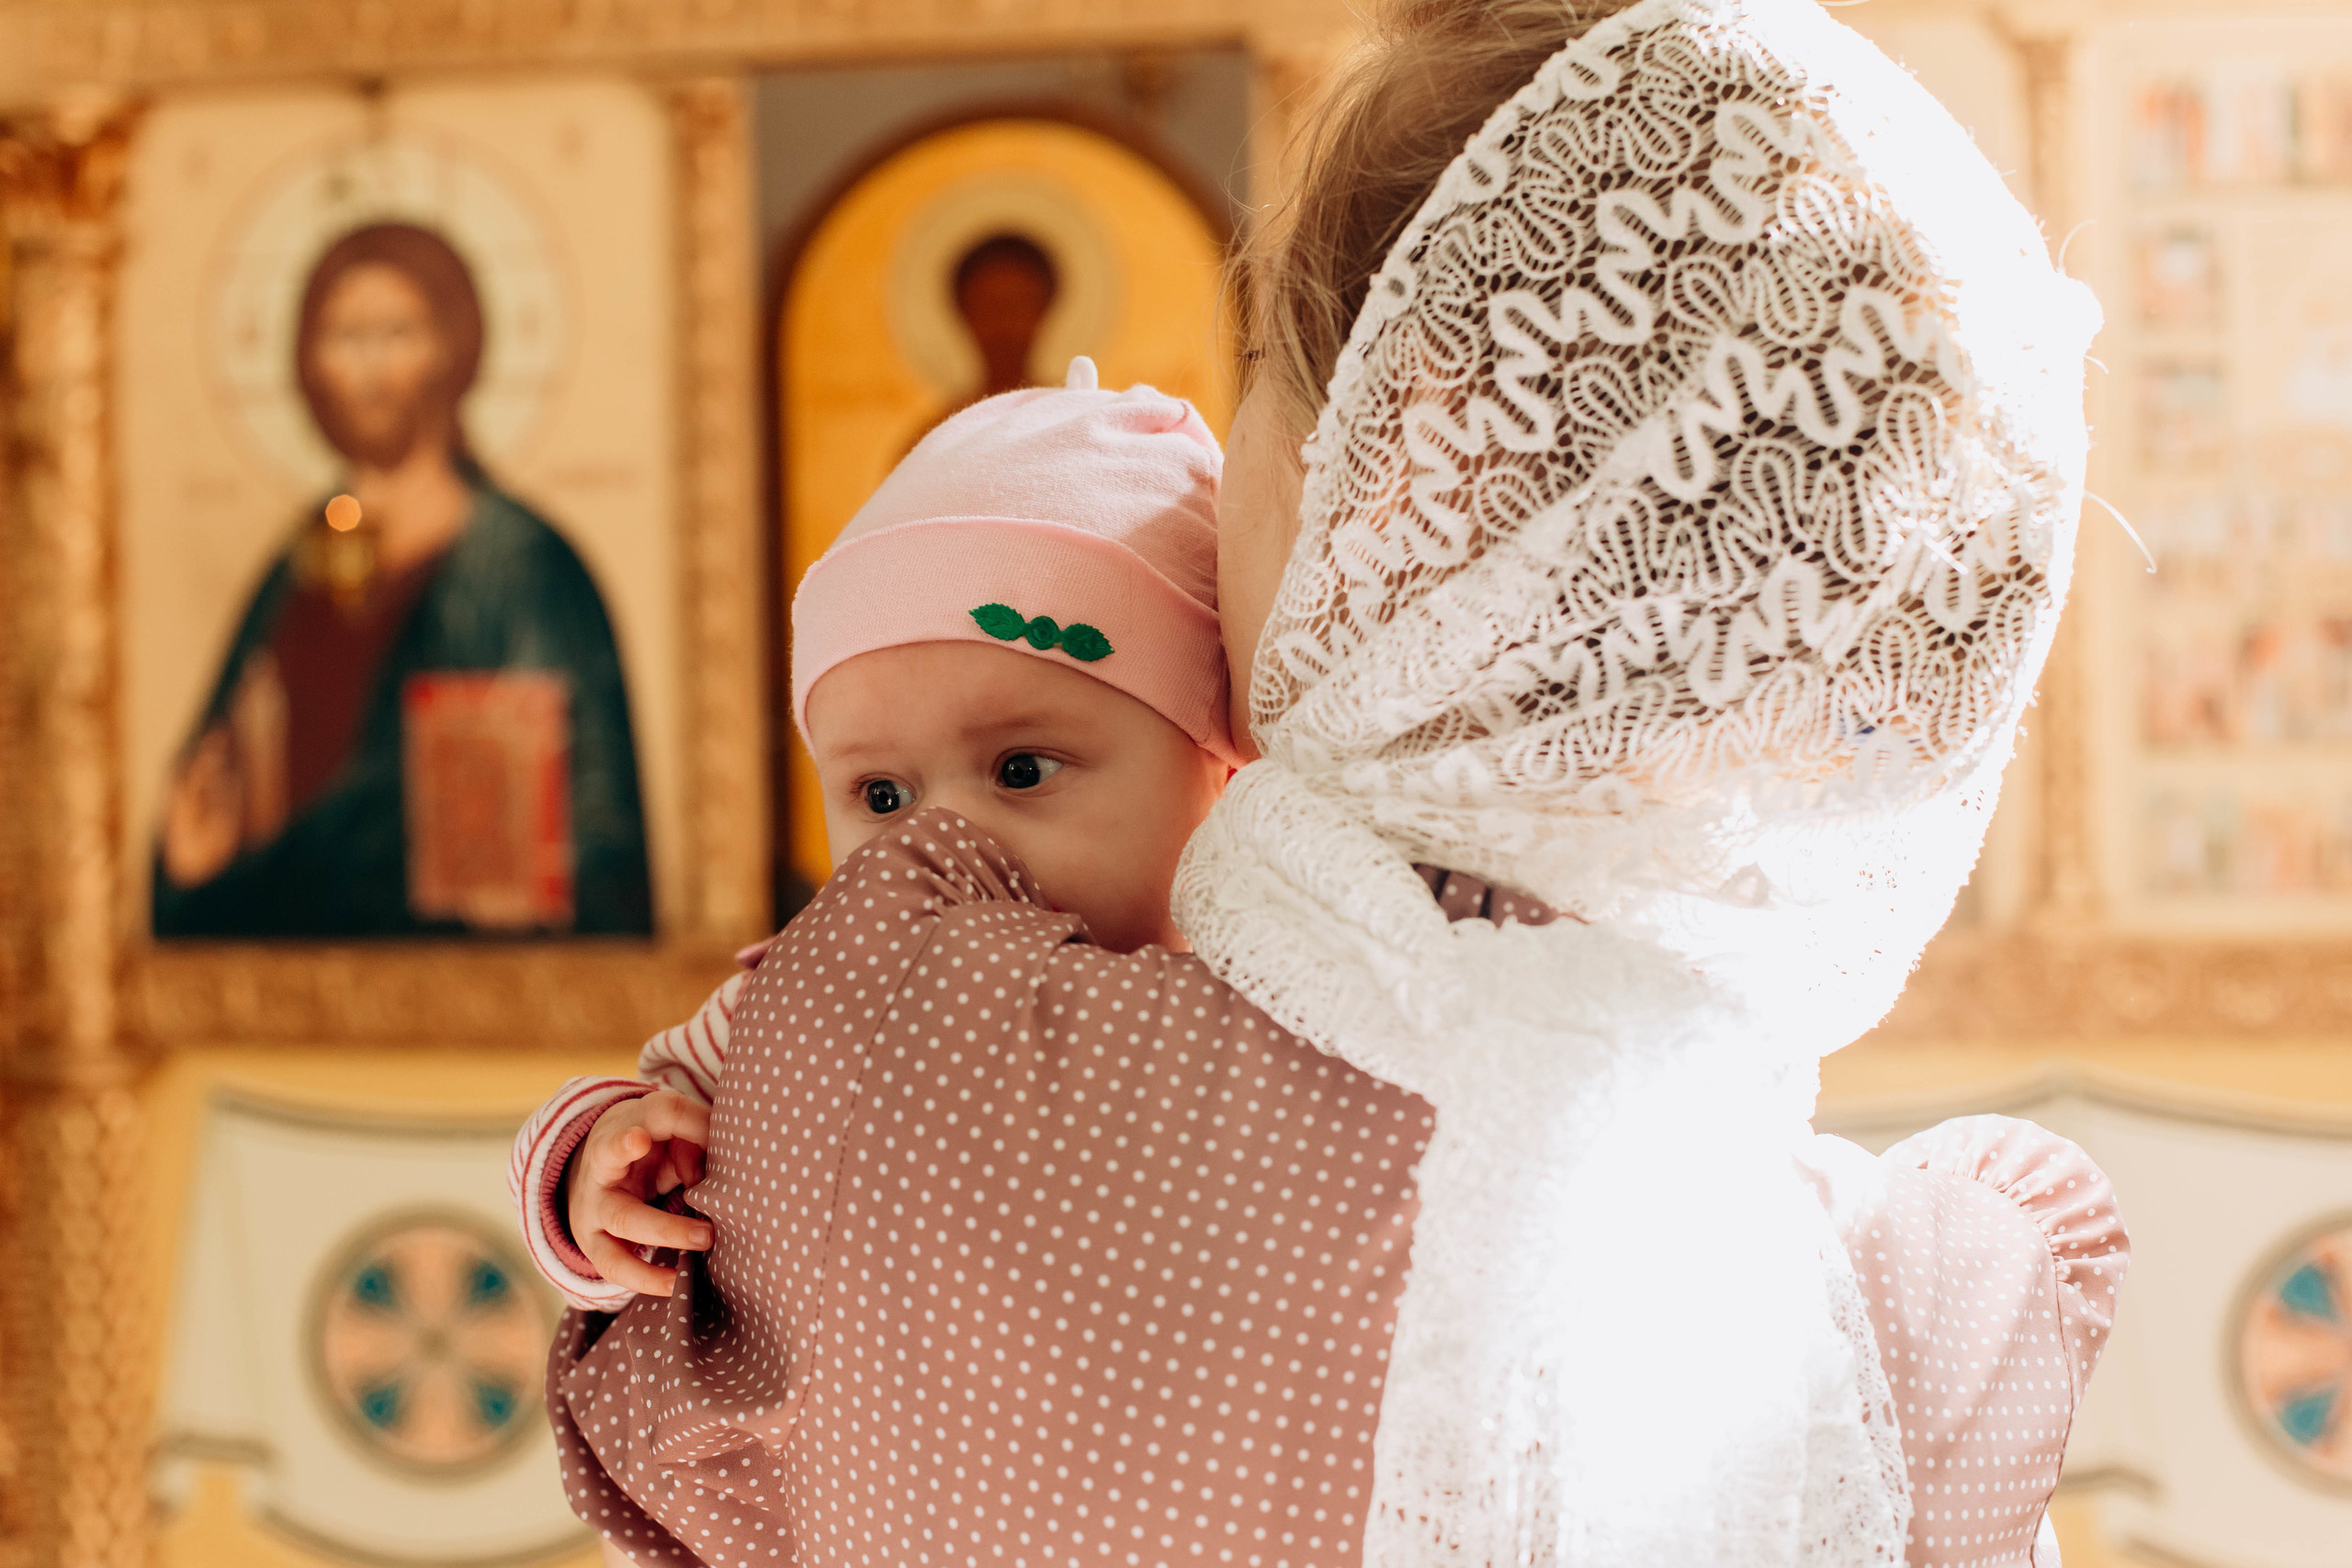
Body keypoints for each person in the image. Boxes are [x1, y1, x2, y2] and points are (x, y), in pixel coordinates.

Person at [515, 3, 2128, 1565]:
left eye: (1259, 385)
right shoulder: (1916, 1318)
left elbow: (652, 1413)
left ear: (1404, 452)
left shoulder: (905, 1050)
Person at [154, 221, 651, 937]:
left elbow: (598, 821)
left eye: (397, 333)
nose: (371, 368)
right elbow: (212, 780)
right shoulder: (295, 564)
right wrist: (192, 862)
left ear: (452, 347)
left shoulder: (521, 561)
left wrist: (537, 874)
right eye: (344, 338)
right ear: (308, 362)